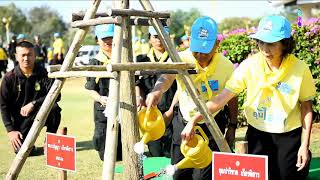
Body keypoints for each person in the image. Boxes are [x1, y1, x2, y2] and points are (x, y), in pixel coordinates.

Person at [184, 15, 315, 180]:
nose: (265, 49)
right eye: (261, 42)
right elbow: (221, 99)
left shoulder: (300, 69)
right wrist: (193, 120)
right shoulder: (249, 66)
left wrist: (304, 145)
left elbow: (307, 108)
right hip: (258, 135)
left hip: (289, 137)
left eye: (272, 44)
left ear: (285, 44)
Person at [146, 16, 238, 180]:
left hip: (212, 125)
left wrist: (232, 126)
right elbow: (167, 77)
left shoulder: (227, 66)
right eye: (196, 49)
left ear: (217, 44)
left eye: (206, 50)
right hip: (183, 123)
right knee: (179, 173)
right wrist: (157, 91)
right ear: (189, 41)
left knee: (203, 175)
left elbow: (231, 98)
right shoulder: (181, 58)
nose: (200, 56)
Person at [0, 41, 61, 154]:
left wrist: (34, 103)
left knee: (54, 108)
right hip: (20, 121)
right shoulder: (9, 78)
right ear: (16, 56)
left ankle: (50, 141)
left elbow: (56, 95)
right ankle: (29, 145)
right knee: (23, 152)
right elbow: (3, 107)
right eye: (23, 55)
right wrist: (11, 131)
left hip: (39, 112)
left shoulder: (44, 73)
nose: (26, 58)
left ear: (34, 55)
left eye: (29, 54)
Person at [135, 26, 176, 158]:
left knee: (172, 154)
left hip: (172, 113)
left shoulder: (175, 59)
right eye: (155, 36)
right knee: (155, 153)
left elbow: (182, 88)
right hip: (150, 116)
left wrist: (170, 111)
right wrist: (139, 97)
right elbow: (137, 84)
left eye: (163, 37)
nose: (160, 40)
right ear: (149, 39)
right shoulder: (141, 60)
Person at [84, 24, 122, 161]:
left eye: (111, 37)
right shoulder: (95, 62)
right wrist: (100, 98)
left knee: (121, 153)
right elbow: (90, 89)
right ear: (97, 40)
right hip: (102, 109)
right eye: (104, 38)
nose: (108, 41)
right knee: (105, 153)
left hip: (123, 108)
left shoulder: (123, 58)